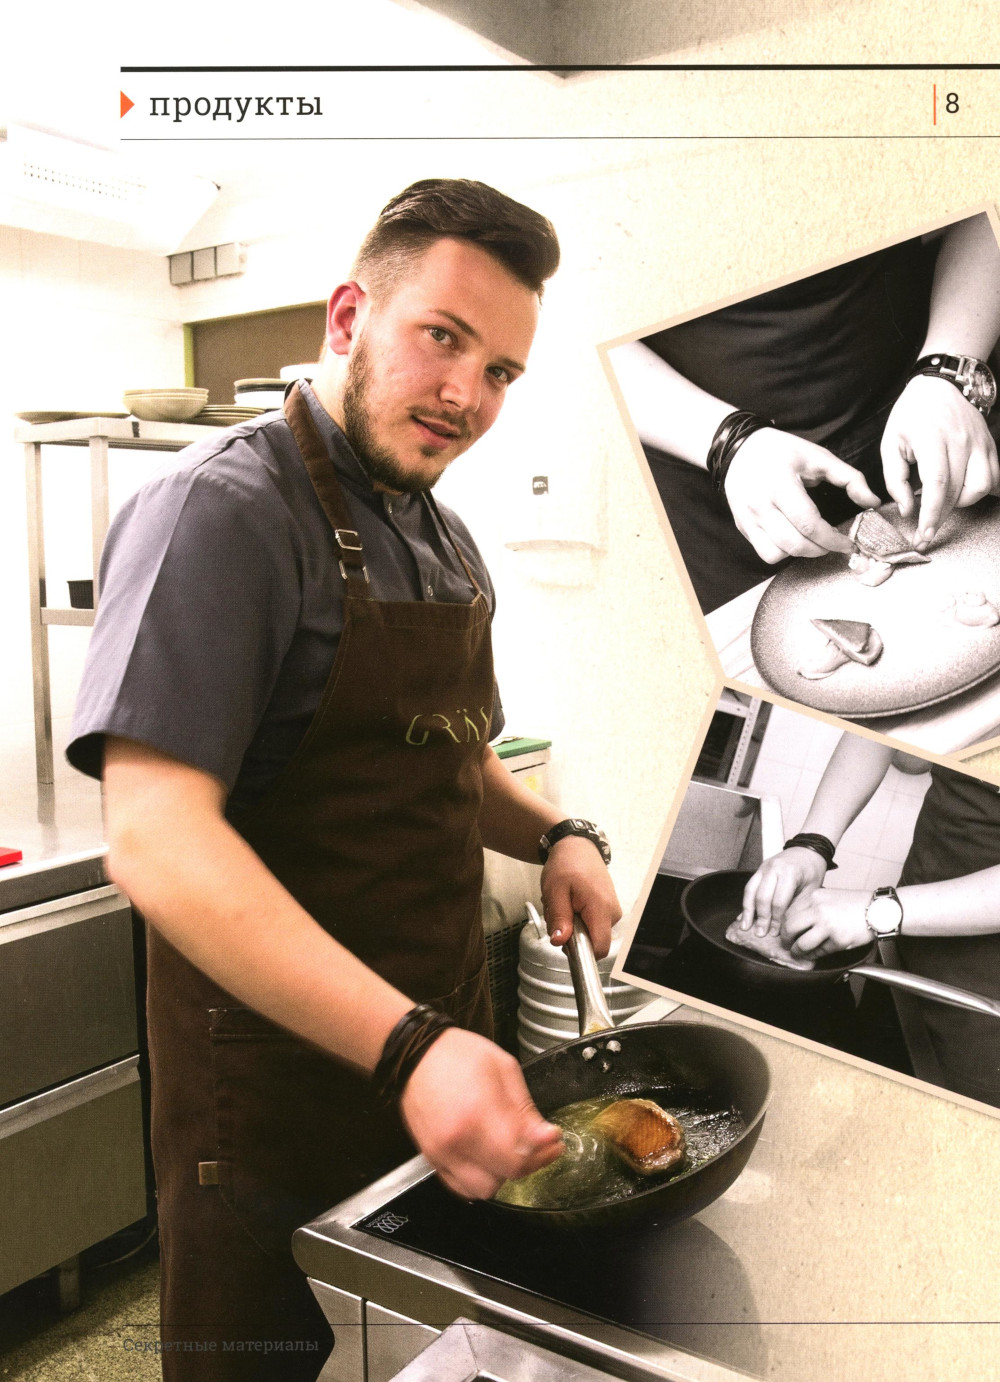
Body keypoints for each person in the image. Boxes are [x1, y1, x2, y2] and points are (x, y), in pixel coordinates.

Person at [67, 178, 621, 1376]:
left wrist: (558, 831)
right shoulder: (217, 512)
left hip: (437, 1076)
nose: (467, 393)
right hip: (277, 1108)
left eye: (501, 371)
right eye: (442, 337)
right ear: (346, 316)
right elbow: (155, 838)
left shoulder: (441, 533)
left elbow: (455, 756)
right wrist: (409, 1045)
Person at [612, 214, 1000, 611]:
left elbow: (982, 199)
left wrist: (949, 368)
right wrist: (728, 442)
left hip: (936, 399)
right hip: (711, 465)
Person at [739, 732, 1000, 1107]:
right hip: (902, 953)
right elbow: (888, 729)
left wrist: (883, 910)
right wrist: (813, 844)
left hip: (982, 1012)